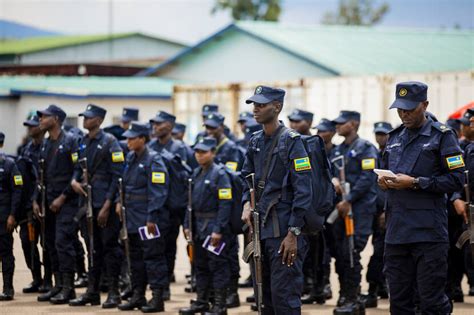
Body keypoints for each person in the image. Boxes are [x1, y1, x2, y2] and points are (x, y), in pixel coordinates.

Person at [379, 81, 464, 314]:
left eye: (410, 108)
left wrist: (416, 183)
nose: (404, 114)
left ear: (425, 105)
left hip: (428, 234)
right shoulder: (394, 137)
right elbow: (386, 172)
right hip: (397, 234)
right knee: (399, 302)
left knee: (431, 301)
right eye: (400, 109)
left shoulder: (443, 137)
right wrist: (384, 183)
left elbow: (457, 180)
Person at [241, 85, 312, 314]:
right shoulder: (254, 141)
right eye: (254, 105)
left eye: (262, 105)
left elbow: (304, 191)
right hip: (260, 230)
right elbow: (247, 179)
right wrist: (245, 203)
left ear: (277, 107)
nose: (256, 109)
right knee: (264, 298)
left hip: (283, 232)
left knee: (285, 298)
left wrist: (293, 234)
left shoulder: (292, 141)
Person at [68, 104, 124, 308]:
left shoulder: (110, 142)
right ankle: (92, 292)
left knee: (109, 248)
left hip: (103, 203)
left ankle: (114, 292)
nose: (85, 120)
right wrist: (74, 181)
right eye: (84, 116)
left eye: (89, 117)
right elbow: (77, 166)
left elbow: (118, 177)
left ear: (99, 120)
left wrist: (108, 205)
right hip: (87, 202)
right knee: (92, 248)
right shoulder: (82, 142)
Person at [116, 123, 170, 313]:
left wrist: (151, 218)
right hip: (131, 218)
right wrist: (118, 201)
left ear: (143, 139)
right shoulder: (131, 157)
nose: (128, 141)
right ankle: (138, 295)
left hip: (148, 219)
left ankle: (157, 298)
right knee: (135, 259)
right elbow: (123, 184)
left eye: (132, 138)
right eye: (127, 138)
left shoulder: (154, 160)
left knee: (153, 258)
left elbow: (159, 193)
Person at [330, 110, 378, 314]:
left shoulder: (366, 148)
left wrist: (349, 199)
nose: (338, 126)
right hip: (340, 210)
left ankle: (354, 298)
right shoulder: (337, 150)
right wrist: (333, 183)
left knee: (352, 252)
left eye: (342, 123)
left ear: (354, 124)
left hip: (360, 209)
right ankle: (345, 294)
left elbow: (368, 178)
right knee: (340, 255)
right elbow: (330, 172)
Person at [180, 137, 234, 315]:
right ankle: (202, 301)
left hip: (214, 228)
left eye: (203, 152)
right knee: (200, 266)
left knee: (218, 267)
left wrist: (218, 230)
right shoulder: (196, 173)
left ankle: (219, 305)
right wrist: (187, 224)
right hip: (198, 228)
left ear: (213, 153)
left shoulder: (220, 174)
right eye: (197, 152)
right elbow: (189, 203)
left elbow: (225, 204)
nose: (199, 155)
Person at [34, 105, 80, 304]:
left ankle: (69, 288)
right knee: (50, 243)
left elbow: (77, 172)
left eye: (44, 117)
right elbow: (41, 175)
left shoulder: (70, 141)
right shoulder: (45, 144)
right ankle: (58, 284)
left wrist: (63, 197)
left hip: (66, 201)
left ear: (56, 118)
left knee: (63, 242)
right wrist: (36, 200)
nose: (41, 120)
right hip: (48, 200)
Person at [149, 110, 192, 299]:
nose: (155, 127)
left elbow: (192, 177)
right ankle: (158, 285)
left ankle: (167, 282)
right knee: (155, 247)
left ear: (170, 126)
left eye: (159, 123)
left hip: (175, 207)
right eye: (154, 124)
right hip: (156, 207)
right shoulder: (150, 147)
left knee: (170, 246)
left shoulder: (182, 149)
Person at [203, 112, 243, 307]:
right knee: (216, 256)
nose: (209, 131)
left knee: (229, 252)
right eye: (207, 127)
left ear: (221, 127)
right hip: (212, 204)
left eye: (212, 127)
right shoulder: (208, 145)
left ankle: (232, 293)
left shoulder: (231, 148)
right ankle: (218, 292)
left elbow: (232, 174)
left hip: (228, 205)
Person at [361, 121, 392, 308]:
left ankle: (374, 287)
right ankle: (379, 286)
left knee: (381, 251)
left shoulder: (394, 154)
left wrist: (386, 210)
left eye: (383, 134)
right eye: (377, 134)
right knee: (378, 249)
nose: (380, 137)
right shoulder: (372, 153)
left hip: (387, 212)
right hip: (372, 211)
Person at [17, 114, 47, 294]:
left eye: (32, 125)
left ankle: (52, 280)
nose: (29, 129)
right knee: (26, 242)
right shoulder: (26, 150)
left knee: (49, 245)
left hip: (47, 203)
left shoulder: (49, 147)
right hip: (29, 207)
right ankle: (37, 277)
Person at [0, 132, 23, 301]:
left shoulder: (9, 164)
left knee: (6, 252)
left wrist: (12, 215)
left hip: (3, 217)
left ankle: (8, 288)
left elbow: (17, 191)